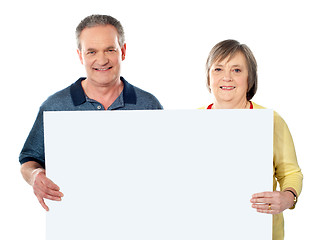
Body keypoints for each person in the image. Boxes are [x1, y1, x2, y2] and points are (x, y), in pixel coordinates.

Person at [19, 14, 163, 211]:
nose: (101, 60)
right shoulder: (54, 106)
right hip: (76, 219)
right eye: (92, 52)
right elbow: (29, 159)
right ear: (80, 56)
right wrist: (35, 176)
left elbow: (165, 162)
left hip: (138, 215)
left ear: (123, 51)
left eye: (110, 49)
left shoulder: (148, 105)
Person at [202, 39, 303, 240]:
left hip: (260, 231)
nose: (227, 77)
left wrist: (288, 197)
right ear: (209, 77)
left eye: (237, 70)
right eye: (218, 69)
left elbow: (291, 172)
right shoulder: (192, 122)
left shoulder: (271, 120)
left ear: (250, 78)